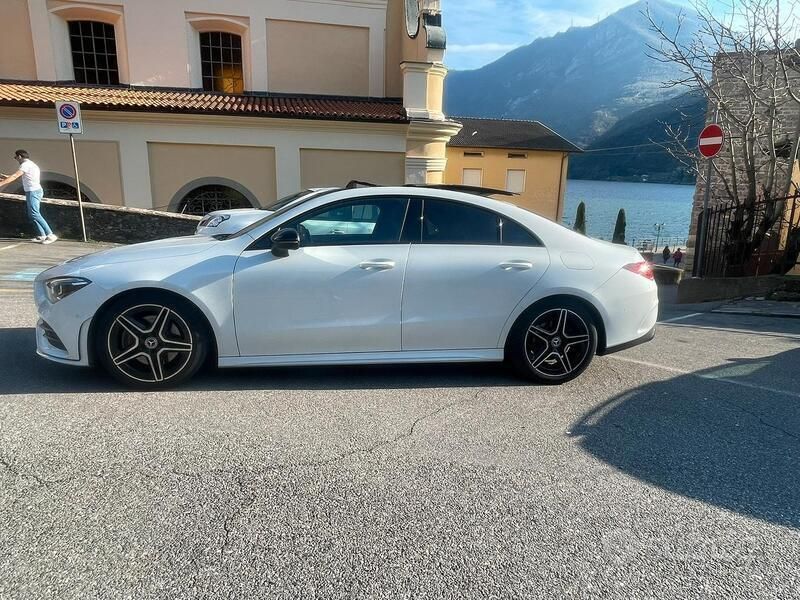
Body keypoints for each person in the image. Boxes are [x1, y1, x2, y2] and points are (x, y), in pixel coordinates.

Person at [0, 150, 57, 244]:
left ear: (19, 156)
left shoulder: (25, 165)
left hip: (33, 192)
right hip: (33, 191)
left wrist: (1, 184)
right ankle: (43, 236)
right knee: (32, 214)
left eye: (15, 157)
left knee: (34, 214)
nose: (15, 159)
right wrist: (5, 177)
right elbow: (20, 177)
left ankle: (51, 235)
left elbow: (15, 176)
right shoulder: (30, 164)